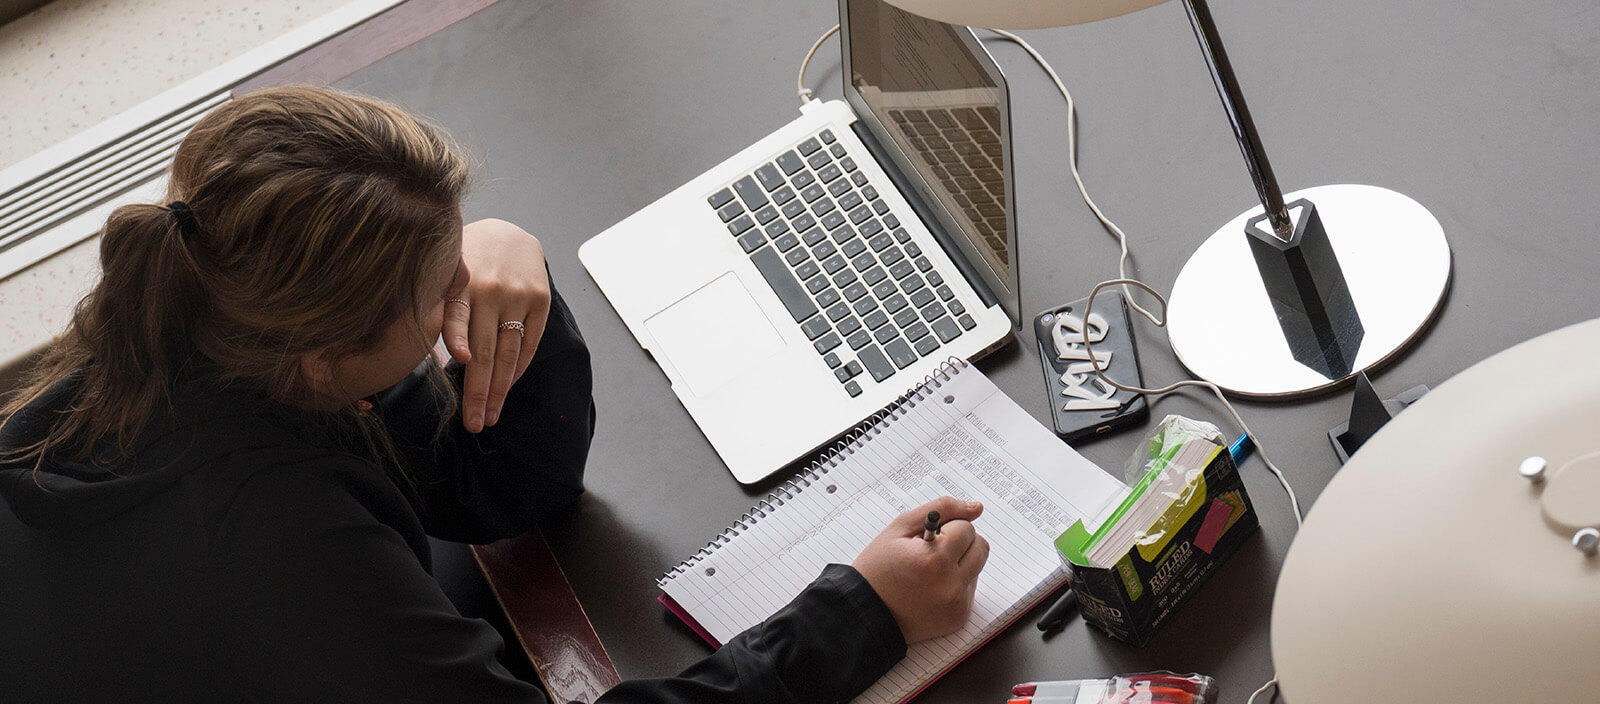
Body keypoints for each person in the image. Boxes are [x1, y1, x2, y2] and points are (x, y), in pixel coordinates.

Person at [0, 85, 990, 703]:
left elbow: (499, 491)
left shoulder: (220, 331)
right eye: (442, 294)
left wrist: (520, 273)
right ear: (329, 354)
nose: (459, 296)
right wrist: (860, 614)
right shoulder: (283, 548)